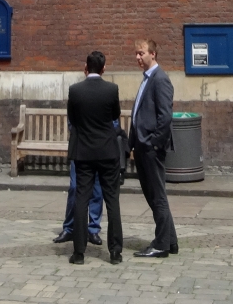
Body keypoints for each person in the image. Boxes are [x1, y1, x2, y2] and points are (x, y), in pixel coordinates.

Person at [65, 50, 123, 265]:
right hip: (107, 151)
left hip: (84, 152)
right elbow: (114, 115)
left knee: (82, 199)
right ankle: (115, 252)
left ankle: (79, 252)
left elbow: (73, 118)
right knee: (112, 200)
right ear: (104, 68)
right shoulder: (111, 90)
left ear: (86, 68)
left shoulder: (75, 91)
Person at [128, 38, 177, 258]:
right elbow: (139, 113)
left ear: (153, 54)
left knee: (157, 196)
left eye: (141, 53)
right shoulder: (147, 79)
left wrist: (154, 143)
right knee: (155, 195)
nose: (138, 58)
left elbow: (165, 117)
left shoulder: (160, 79)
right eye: (136, 54)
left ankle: (160, 245)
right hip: (142, 146)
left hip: (150, 148)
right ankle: (170, 241)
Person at [52, 163, 103, 247]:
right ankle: (69, 228)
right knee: (74, 188)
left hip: (99, 153)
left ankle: (93, 229)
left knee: (97, 190)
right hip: (79, 153)